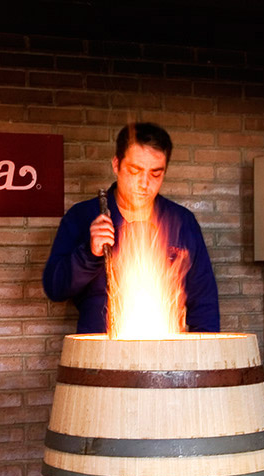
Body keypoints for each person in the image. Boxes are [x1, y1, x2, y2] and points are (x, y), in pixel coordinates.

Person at [42, 122, 220, 334]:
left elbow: (204, 304)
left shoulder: (182, 223)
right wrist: (89, 253)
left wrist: (203, 350)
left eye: (155, 174)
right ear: (116, 165)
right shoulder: (82, 216)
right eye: (135, 171)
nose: (144, 183)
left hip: (166, 350)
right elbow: (56, 288)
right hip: (100, 349)